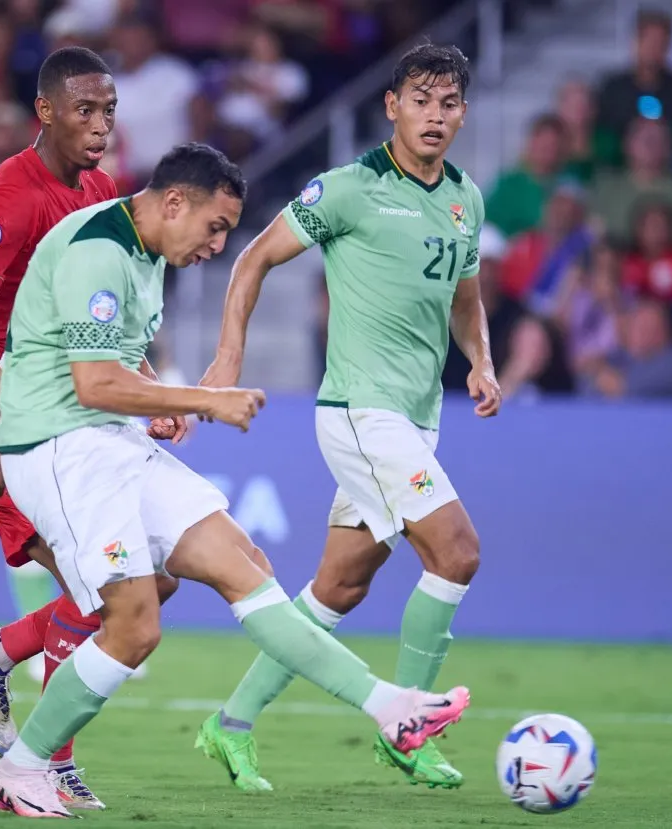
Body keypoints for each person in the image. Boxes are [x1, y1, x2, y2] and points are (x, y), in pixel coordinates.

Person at [0, 142, 470, 819]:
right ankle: (22, 767)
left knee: (244, 561)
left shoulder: (145, 255)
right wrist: (200, 400)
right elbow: (93, 383)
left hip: (109, 443)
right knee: (135, 625)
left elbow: (104, 359)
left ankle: (392, 706)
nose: (216, 245)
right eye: (214, 227)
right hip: (60, 451)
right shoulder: (101, 248)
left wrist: (158, 396)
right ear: (174, 202)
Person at [194, 43, 499, 792]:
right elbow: (253, 258)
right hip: (362, 414)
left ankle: (228, 724)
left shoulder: (465, 198)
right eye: (420, 100)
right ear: (391, 105)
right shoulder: (350, 188)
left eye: (448, 103)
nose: (434, 115)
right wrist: (228, 356)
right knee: (456, 552)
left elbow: (465, 300)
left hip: (416, 417)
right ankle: (409, 727)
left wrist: (482, 361)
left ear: (462, 113)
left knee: (338, 587)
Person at [0, 46, 128, 811]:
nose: (101, 125)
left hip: (61, 409)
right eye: (85, 110)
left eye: (108, 110)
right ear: (45, 112)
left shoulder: (102, 190)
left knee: (130, 582)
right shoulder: (15, 194)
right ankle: (52, 763)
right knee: (92, 583)